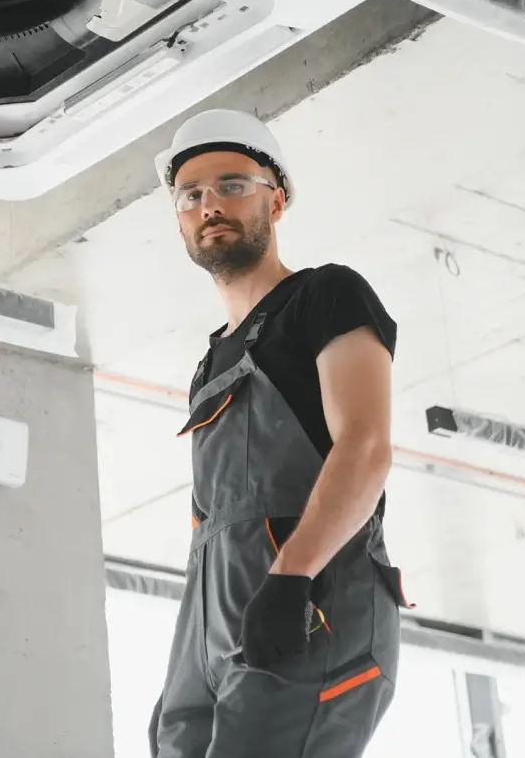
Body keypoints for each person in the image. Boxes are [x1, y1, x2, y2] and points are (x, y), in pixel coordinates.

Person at [147, 109, 412, 757]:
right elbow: (216, 521)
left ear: (277, 198)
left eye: (232, 184)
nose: (210, 203)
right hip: (212, 633)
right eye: (191, 194)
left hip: (306, 608)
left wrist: (290, 577)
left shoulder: (325, 297)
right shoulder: (209, 362)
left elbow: (366, 447)